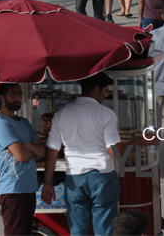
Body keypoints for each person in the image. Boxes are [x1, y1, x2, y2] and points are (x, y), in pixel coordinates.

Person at [42, 73, 120, 235]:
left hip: (75, 178)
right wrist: (139, 143)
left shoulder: (62, 114)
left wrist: (48, 183)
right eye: (105, 91)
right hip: (102, 176)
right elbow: (114, 149)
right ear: (96, 89)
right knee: (104, 228)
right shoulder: (106, 114)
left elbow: (52, 150)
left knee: (77, 230)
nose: (106, 95)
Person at [0, 83, 44, 236]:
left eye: (20, 94)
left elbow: (41, 151)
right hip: (13, 189)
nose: (18, 98)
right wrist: (28, 149)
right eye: (14, 94)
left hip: (29, 187)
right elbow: (20, 156)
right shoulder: (1, 124)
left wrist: (26, 146)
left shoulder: (24, 122)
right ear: (2, 97)